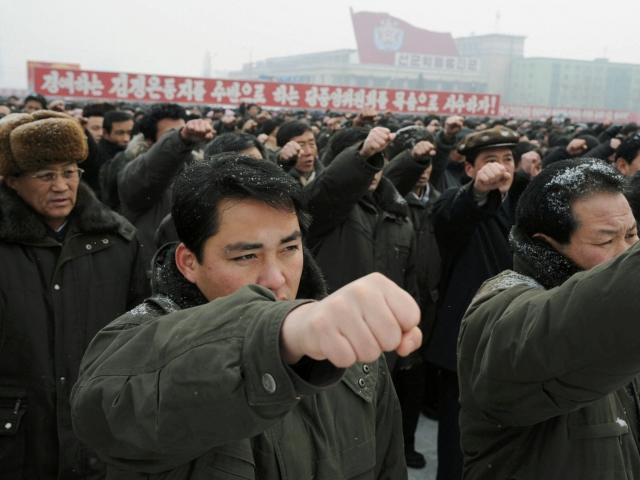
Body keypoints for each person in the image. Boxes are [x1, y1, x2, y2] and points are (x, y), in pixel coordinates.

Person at [70, 154, 421, 479]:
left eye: (289, 249)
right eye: (245, 257)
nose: (276, 278)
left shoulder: (346, 346)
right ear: (189, 262)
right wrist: (278, 335)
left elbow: (387, 465)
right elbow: (103, 411)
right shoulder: (143, 336)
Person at [458, 158, 640, 479]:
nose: (625, 252)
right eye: (606, 240)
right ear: (547, 245)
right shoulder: (498, 309)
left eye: (632, 235)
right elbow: (571, 325)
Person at [0, 111, 148, 478]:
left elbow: (142, 337)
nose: (61, 185)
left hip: (98, 434)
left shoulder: (117, 242)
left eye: (69, 172)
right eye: (45, 175)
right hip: (18, 437)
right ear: (12, 181)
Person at [425, 125, 520, 480]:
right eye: (490, 160)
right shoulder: (461, 203)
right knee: (458, 436)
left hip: (514, 337)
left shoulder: (526, 205)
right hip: (465, 342)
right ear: (469, 169)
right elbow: (449, 216)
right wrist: (480, 189)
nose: (501, 168)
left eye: (508, 159)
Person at [383, 128, 443, 469]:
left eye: (428, 161)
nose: (423, 168)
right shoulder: (389, 201)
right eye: (413, 159)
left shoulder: (441, 198)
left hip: (429, 305)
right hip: (394, 305)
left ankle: (406, 442)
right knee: (392, 380)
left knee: (415, 382)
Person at [113, 103, 214, 272]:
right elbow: (150, 171)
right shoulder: (134, 171)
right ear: (150, 142)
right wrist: (180, 139)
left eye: (182, 129)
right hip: (150, 272)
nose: (183, 135)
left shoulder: (197, 171)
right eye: (171, 134)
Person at [276, 120, 325, 185]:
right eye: (300, 145)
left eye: (312, 143)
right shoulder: (278, 180)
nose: (309, 152)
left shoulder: (327, 179)